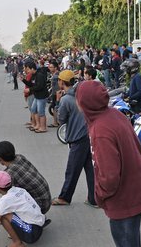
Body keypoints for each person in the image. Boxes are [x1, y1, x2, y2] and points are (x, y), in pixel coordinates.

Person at [76, 80, 141, 247]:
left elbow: (110, 175)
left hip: (124, 196)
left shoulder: (101, 130)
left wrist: (99, 195)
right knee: (132, 239)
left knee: (126, 241)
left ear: (85, 102)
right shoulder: (113, 114)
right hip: (136, 187)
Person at [52, 70, 97, 208]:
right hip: (87, 135)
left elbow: (61, 120)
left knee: (72, 170)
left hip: (78, 138)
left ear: (61, 82)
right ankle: (94, 199)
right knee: (90, 169)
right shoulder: (80, 94)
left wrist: (58, 102)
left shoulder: (65, 99)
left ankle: (65, 197)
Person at [0, 171, 45, 246]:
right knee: (5, 212)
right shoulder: (20, 190)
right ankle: (19, 232)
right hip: (40, 223)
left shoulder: (4, 201)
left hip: (32, 233)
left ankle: (17, 243)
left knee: (2, 216)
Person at [0, 141, 51, 214]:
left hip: (40, 207)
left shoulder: (9, 174)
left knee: (5, 211)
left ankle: (28, 221)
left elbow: (9, 196)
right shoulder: (20, 157)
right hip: (47, 200)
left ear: (0, 159)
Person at [27, 60, 48, 133]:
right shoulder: (33, 75)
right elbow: (31, 84)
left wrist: (29, 89)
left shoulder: (39, 75)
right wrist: (23, 80)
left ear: (32, 68)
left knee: (41, 112)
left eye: (28, 69)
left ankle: (43, 127)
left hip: (41, 96)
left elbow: (39, 86)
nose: (28, 71)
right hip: (37, 96)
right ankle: (37, 125)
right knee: (33, 109)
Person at [48, 61, 60, 127]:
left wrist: (53, 95)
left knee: (55, 108)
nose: (50, 68)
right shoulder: (56, 74)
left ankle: (55, 122)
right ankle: (56, 122)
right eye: (49, 67)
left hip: (56, 94)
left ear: (55, 68)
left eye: (51, 67)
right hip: (56, 94)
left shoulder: (56, 76)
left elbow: (56, 88)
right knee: (55, 107)